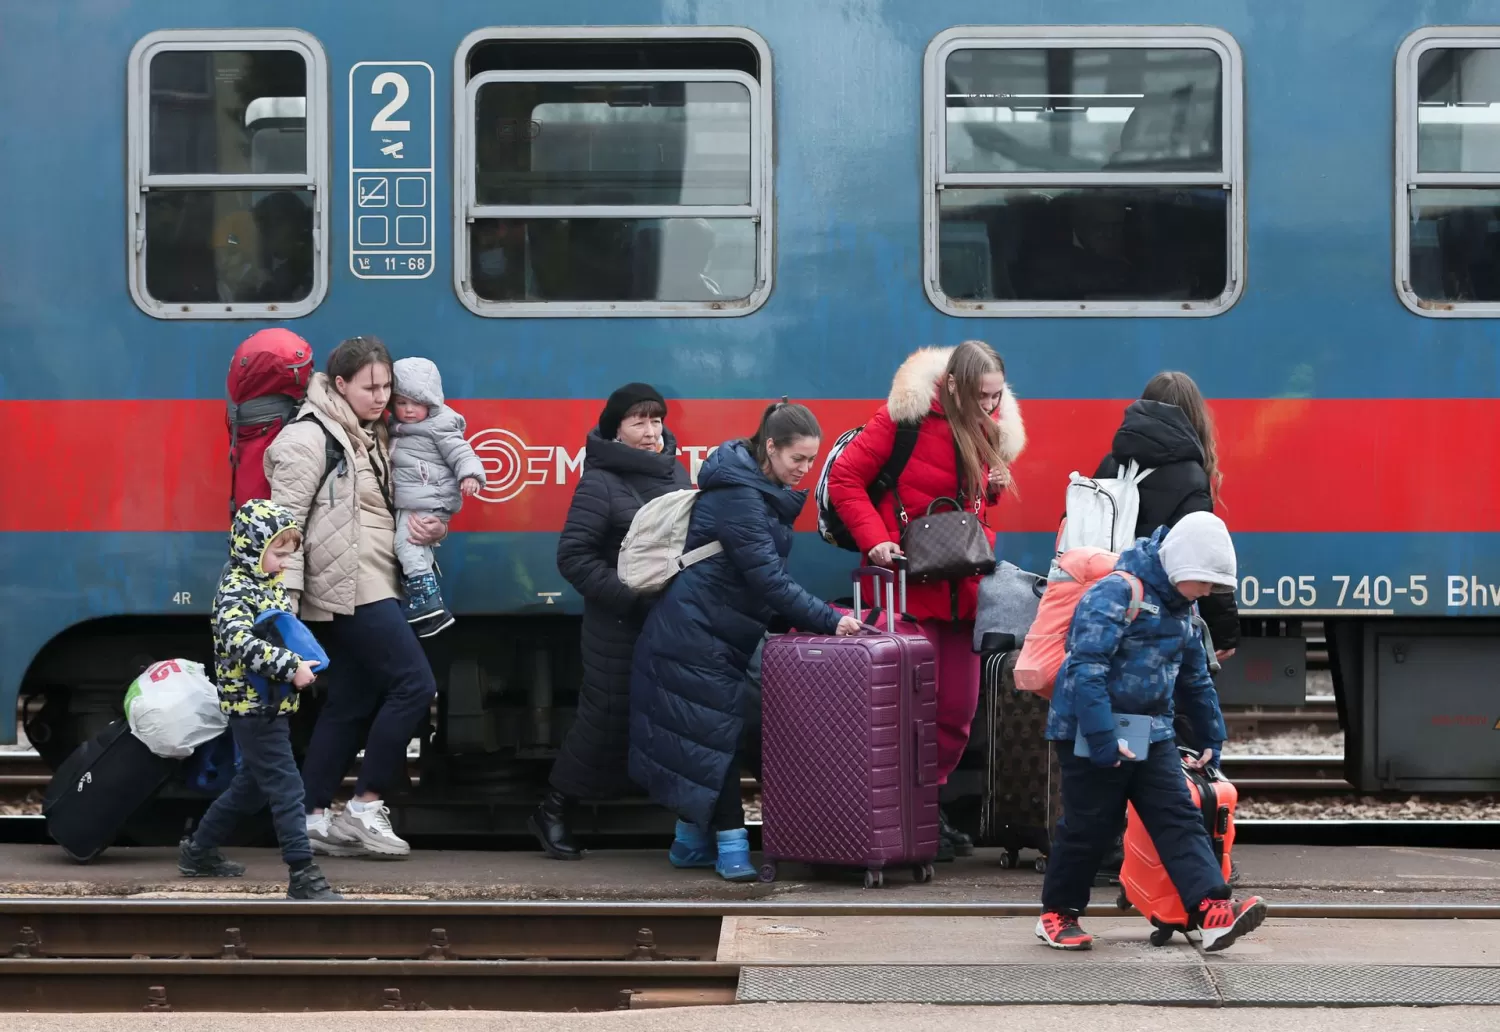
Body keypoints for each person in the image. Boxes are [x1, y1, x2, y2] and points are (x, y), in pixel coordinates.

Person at [629, 402, 862, 881]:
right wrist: (828, 619)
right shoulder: (741, 495)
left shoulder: (756, 489)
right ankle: (733, 853)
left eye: (812, 461)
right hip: (695, 633)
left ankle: (689, 843)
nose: (805, 470)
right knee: (718, 737)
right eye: (798, 459)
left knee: (707, 736)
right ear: (770, 448)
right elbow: (766, 578)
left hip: (711, 628)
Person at [825, 340, 1026, 860]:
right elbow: (847, 478)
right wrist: (874, 539)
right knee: (901, 712)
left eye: (997, 397)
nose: (991, 407)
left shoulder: (984, 425)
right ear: (954, 386)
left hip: (963, 591)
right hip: (904, 589)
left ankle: (928, 808)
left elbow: (966, 504)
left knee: (956, 712)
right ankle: (911, 820)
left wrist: (993, 485)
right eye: (982, 396)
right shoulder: (903, 419)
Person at [1035, 512, 1267, 952]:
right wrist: (1103, 738)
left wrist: (1209, 737)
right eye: (1203, 581)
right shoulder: (1116, 592)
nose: (1208, 591)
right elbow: (1086, 670)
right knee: (1090, 826)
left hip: (1151, 730)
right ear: (1180, 566)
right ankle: (1057, 913)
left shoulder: (1185, 607)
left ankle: (1211, 910)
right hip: (1088, 728)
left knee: (1178, 817)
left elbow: (1195, 677)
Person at [265, 335, 443, 859]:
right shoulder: (307, 438)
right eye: (370, 387)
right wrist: (284, 607)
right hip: (347, 585)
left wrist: (428, 531)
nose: (382, 396)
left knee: (351, 700)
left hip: (373, 576)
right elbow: (285, 527)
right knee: (415, 685)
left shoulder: (367, 434)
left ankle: (312, 815)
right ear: (339, 384)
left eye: (387, 386)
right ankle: (364, 808)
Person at [1087, 370, 1240, 885]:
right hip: (1163, 624)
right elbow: (1204, 556)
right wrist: (1226, 629)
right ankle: (1177, 852)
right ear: (1192, 418)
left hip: (1111, 610)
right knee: (1172, 736)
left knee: (1115, 733)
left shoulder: (1112, 462)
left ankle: (1112, 847)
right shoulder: (1190, 475)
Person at [529, 383, 690, 860]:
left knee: (670, 715)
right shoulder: (600, 481)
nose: (649, 431)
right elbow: (573, 557)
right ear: (615, 429)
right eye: (638, 422)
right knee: (605, 719)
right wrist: (629, 599)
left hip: (665, 619)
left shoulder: (674, 472)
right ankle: (552, 810)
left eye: (655, 420)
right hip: (616, 625)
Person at [177, 499, 340, 900]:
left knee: (250, 787)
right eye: (278, 553)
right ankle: (303, 875)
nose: (284, 563)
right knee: (287, 788)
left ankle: (199, 852)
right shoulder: (236, 590)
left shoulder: (262, 582)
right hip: (253, 707)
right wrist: (290, 666)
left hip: (266, 704)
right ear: (253, 548)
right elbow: (239, 641)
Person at [388, 357, 487, 637]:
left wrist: (470, 475)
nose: (408, 410)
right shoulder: (396, 426)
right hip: (416, 497)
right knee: (417, 547)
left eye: (416, 404)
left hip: (428, 498)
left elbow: (462, 452)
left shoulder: (439, 424)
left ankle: (426, 598)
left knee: (406, 543)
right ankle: (428, 605)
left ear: (431, 403)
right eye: (401, 402)